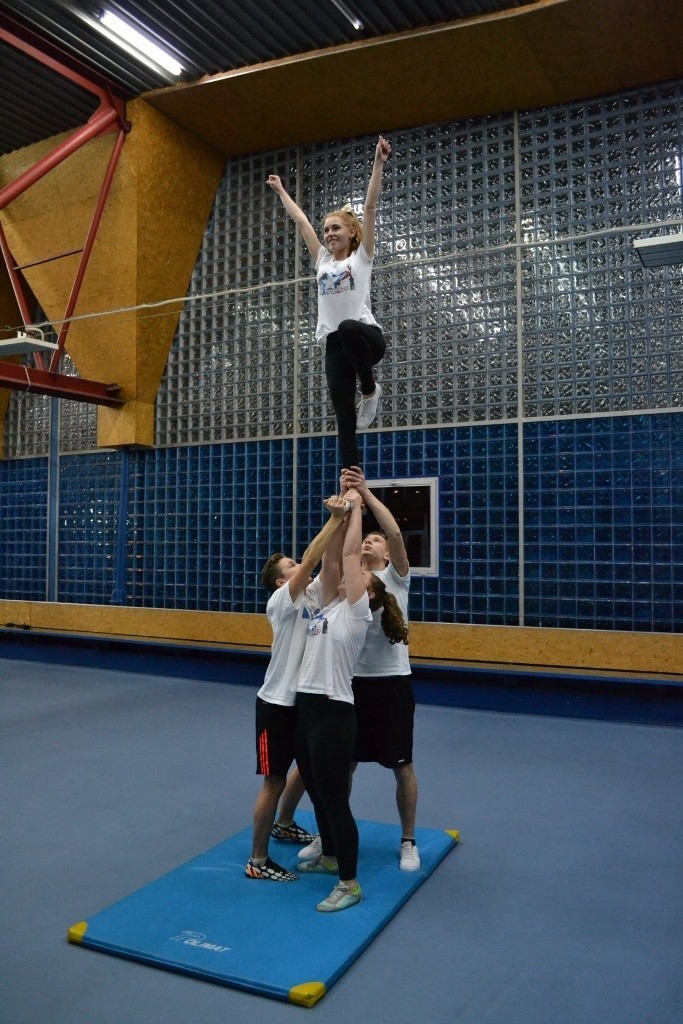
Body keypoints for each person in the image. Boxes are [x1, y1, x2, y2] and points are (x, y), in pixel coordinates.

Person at [295, 486, 409, 911]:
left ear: (372, 592)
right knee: (316, 791)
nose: (349, 574)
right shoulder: (327, 606)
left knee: (335, 798)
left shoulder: (358, 612)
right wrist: (337, 516)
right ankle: (328, 858)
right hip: (306, 707)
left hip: (333, 712)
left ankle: (349, 882)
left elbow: (346, 559)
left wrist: (357, 509)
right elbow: (329, 560)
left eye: (358, 575)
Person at [267, 135, 391, 470]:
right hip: (335, 346)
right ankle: (352, 477)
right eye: (326, 229)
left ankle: (369, 390)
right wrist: (281, 191)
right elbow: (301, 221)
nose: (328, 233)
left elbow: (369, 207)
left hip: (366, 338)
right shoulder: (322, 260)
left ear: (352, 232)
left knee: (348, 326)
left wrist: (378, 164)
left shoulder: (362, 257)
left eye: (335, 228)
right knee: (343, 415)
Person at [245, 495, 349, 882]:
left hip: (305, 702)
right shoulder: (280, 601)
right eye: (288, 565)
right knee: (273, 780)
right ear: (280, 579)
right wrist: (335, 518)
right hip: (275, 703)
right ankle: (257, 861)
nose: (297, 565)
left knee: (308, 771)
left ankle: (284, 822)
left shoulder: (311, 595)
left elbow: (330, 561)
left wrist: (345, 519)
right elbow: (311, 559)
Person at [340, 464, 420, 872]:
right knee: (344, 763)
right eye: (367, 539)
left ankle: (408, 840)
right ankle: (332, 832)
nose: (370, 542)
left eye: (376, 540)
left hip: (391, 682)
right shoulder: (352, 579)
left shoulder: (395, 577)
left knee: (401, 764)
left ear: (386, 553)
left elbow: (393, 533)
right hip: (353, 684)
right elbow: (343, 544)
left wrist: (367, 494)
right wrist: (347, 503)